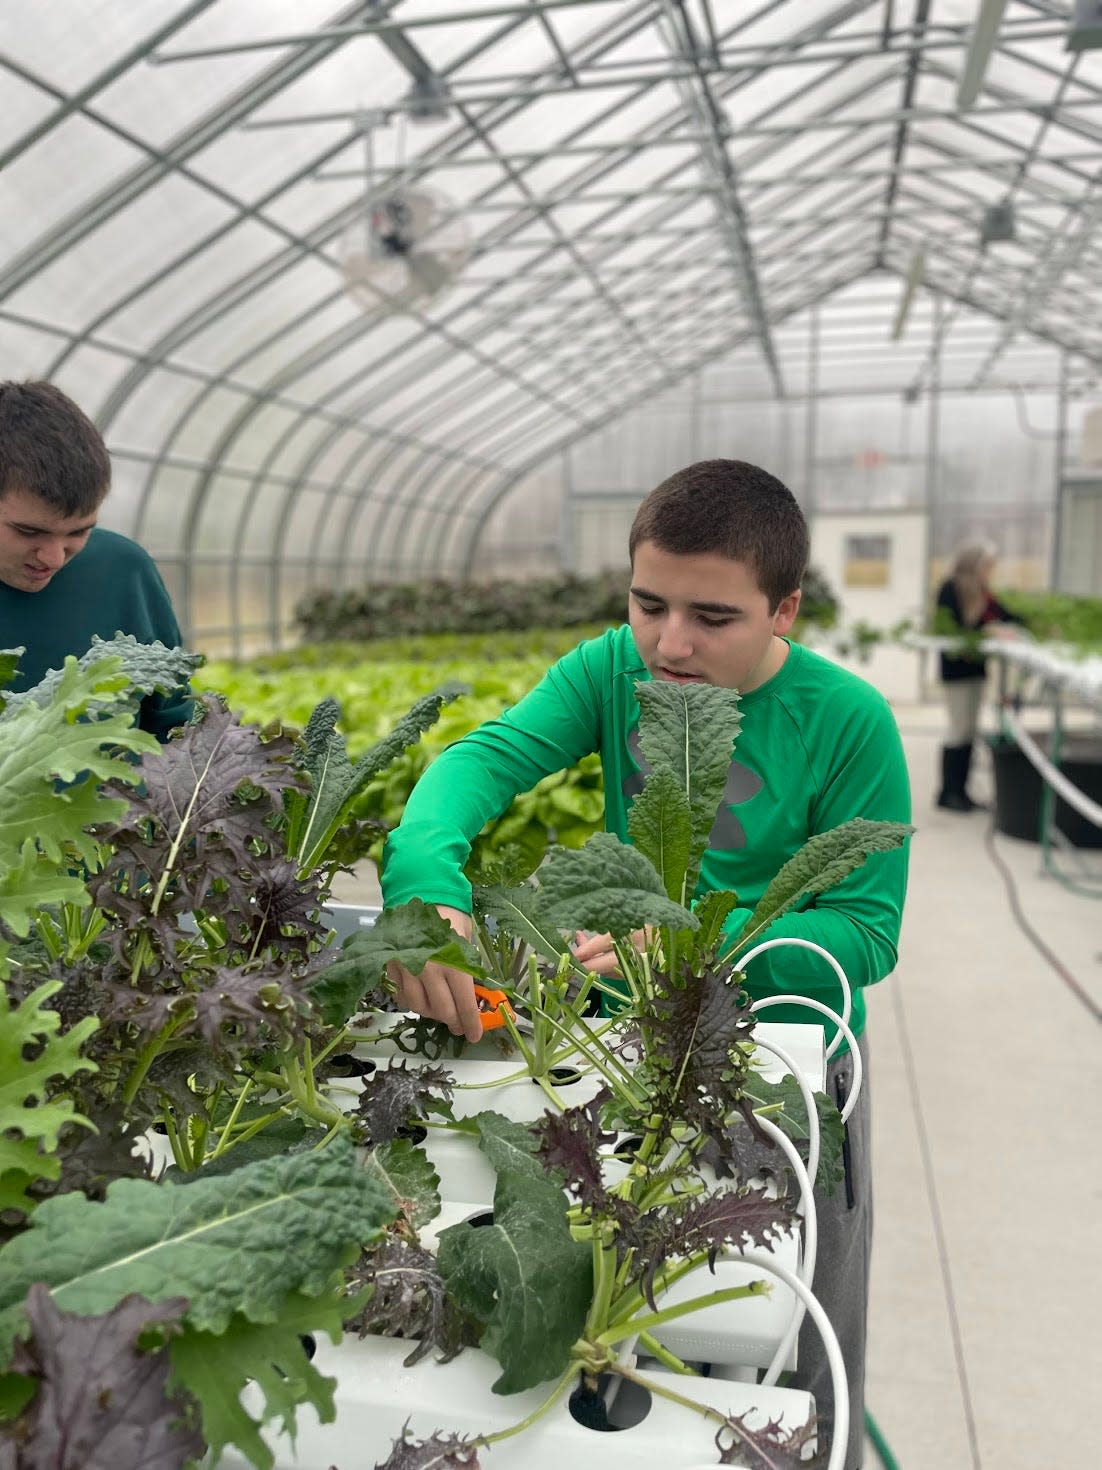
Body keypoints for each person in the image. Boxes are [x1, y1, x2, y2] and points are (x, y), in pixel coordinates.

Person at [382, 459, 911, 1470]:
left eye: (712, 617)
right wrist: (423, 881)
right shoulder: (606, 672)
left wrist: (694, 946)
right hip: (621, 1053)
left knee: (789, 1342)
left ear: (783, 608)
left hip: (778, 1066)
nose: (670, 642)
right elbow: (477, 764)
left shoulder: (848, 722)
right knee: (625, 1329)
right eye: (648, 604)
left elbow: (864, 934)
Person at [0, 380, 191, 738]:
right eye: (29, 532)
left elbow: (174, 722)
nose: (55, 558)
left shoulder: (125, 569)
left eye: (79, 532)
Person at [934, 540, 1025, 813]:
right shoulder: (951, 589)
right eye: (987, 565)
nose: (990, 571)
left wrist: (1024, 625)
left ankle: (961, 791)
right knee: (958, 729)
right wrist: (990, 631)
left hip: (975, 670)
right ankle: (948, 792)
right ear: (975, 564)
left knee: (969, 730)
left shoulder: (983, 593)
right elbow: (954, 628)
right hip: (957, 670)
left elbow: (1006, 615)